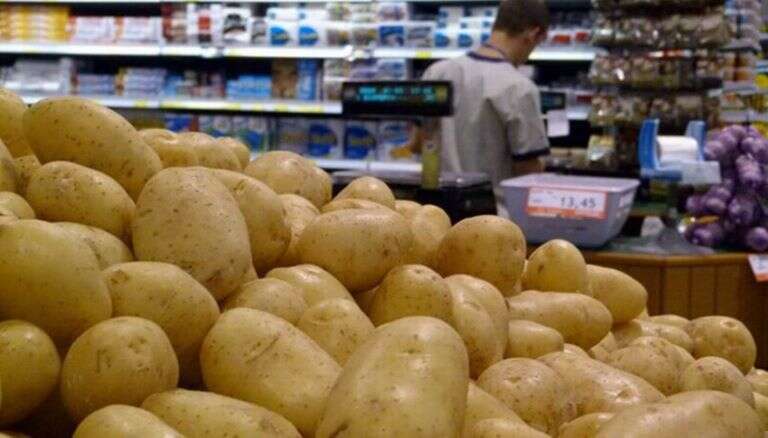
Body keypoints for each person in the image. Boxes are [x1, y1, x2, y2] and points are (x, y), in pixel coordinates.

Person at [419, 0, 551, 202]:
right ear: (533, 34)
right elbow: (527, 170)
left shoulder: (437, 72)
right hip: (492, 212)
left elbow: (418, 141)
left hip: (435, 207)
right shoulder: (519, 88)